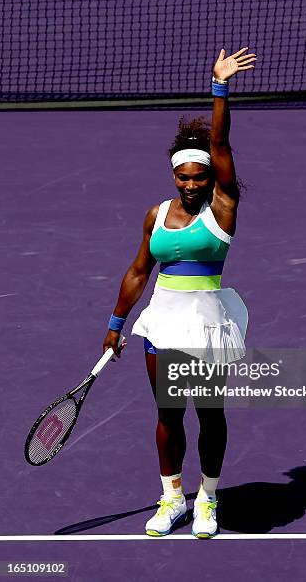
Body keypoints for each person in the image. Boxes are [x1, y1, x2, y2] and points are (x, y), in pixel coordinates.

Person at [103, 47, 256, 538]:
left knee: (210, 414)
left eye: (199, 176)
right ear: (174, 175)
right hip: (162, 321)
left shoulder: (223, 207)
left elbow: (221, 140)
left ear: (212, 175)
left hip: (207, 320)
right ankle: (172, 497)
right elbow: (138, 269)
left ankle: (208, 498)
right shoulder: (156, 214)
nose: (191, 184)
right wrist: (115, 324)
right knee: (168, 413)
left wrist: (219, 86)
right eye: (183, 176)